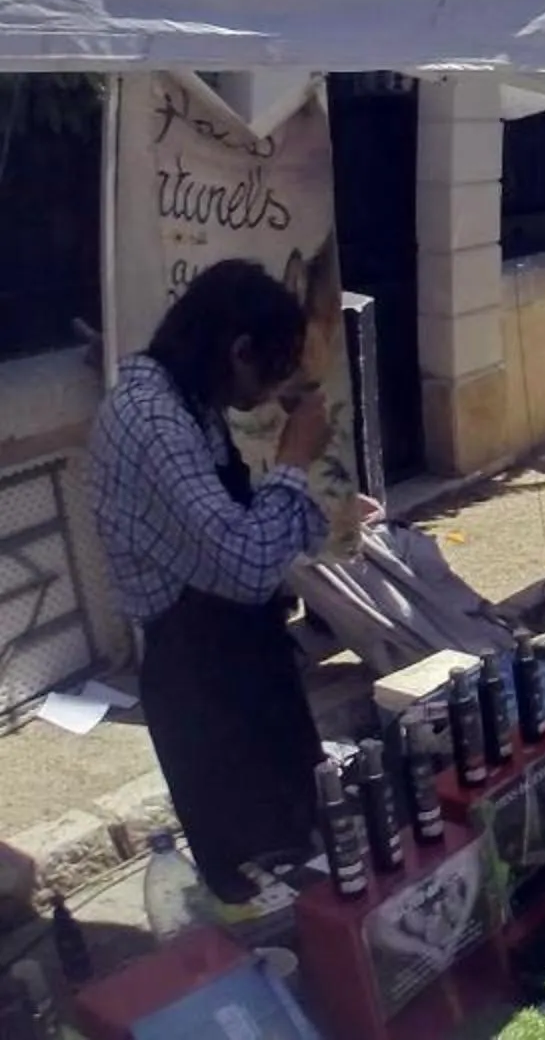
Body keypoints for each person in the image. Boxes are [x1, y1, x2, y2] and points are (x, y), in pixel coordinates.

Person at [86, 260, 348, 902]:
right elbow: (247, 567)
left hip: (244, 659)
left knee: (302, 835)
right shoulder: (152, 420)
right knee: (258, 871)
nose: (272, 391)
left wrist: (325, 511)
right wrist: (291, 457)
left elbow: (232, 521)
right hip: (202, 680)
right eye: (273, 369)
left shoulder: (190, 400)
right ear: (237, 351)